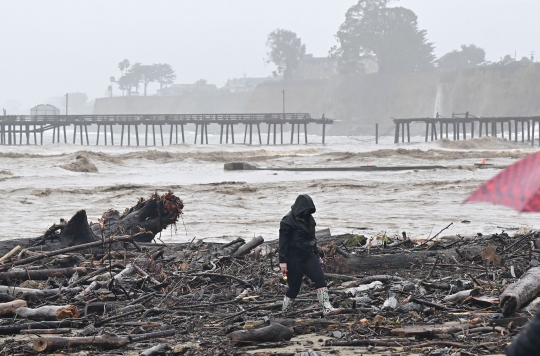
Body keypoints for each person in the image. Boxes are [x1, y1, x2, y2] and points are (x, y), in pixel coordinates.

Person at [278, 194, 338, 315]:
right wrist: (283, 261)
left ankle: (327, 308)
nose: (306, 212)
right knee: (294, 288)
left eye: (308, 210)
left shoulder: (309, 219)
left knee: (320, 279)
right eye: (305, 209)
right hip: (293, 258)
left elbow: (312, 239)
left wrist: (317, 254)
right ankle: (285, 311)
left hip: (309, 255)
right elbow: (283, 243)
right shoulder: (287, 221)